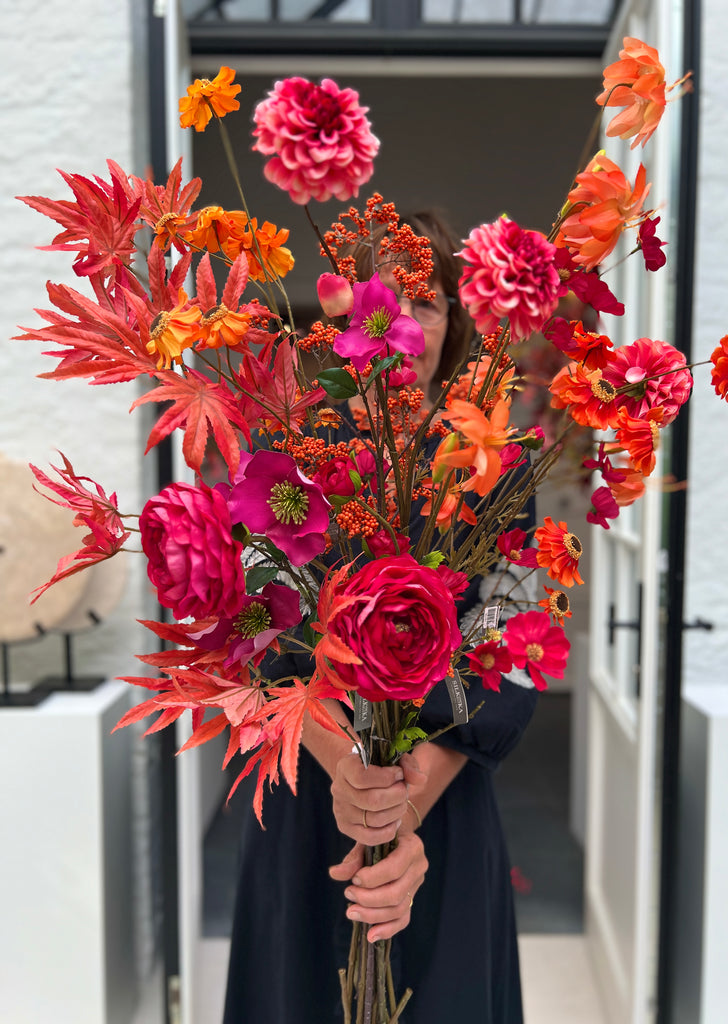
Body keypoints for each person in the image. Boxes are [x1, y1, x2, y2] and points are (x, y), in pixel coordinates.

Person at [223, 210, 538, 1024]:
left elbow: (512, 637)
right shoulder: (283, 454)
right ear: (341, 318)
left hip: (444, 796)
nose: (400, 321)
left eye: (425, 303)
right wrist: (348, 775)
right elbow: (255, 635)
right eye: (379, 301)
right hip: (306, 793)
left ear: (455, 328)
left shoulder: (500, 468)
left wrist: (404, 806)